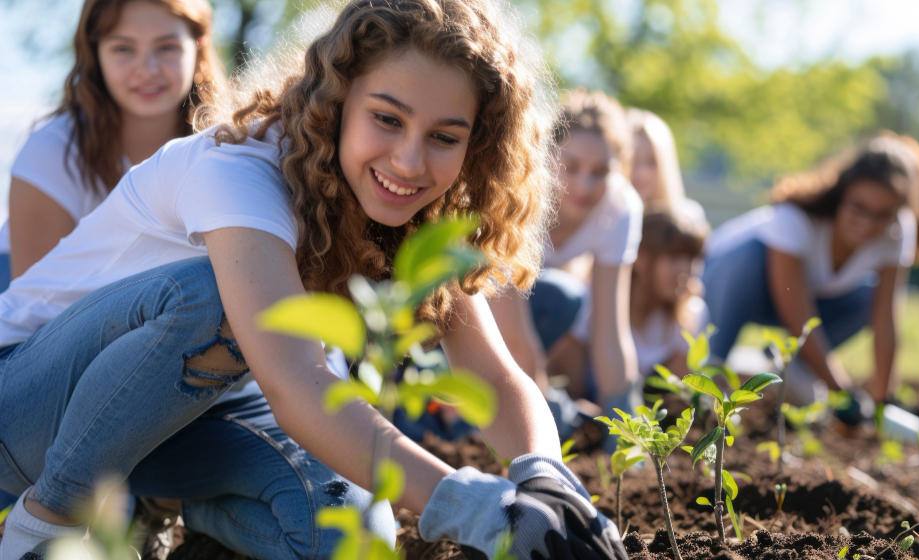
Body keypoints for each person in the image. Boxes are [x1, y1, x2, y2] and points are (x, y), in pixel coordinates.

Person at [0, 1, 626, 560]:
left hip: (176, 433)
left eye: (443, 137)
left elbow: (490, 374)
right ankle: (46, 524)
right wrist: (480, 510)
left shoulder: (415, 211)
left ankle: (173, 504)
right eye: (387, 118)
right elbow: (298, 382)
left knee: (349, 541)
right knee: (216, 300)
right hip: (26, 410)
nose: (409, 161)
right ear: (336, 101)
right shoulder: (241, 171)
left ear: (475, 147)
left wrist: (545, 480)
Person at [0, 0, 227, 518]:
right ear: (94, 54)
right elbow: (47, 331)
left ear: (199, 48)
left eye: (167, 47)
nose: (147, 69)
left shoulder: (224, 149)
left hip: (165, 345)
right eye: (123, 49)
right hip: (49, 344)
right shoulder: (54, 153)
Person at [702, 134, 919, 407]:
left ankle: (792, 368)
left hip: (797, 301)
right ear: (841, 193)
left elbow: (886, 318)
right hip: (724, 282)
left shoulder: (898, 230)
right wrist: (840, 390)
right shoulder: (795, 217)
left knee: (869, 299)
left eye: (881, 215)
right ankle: (710, 368)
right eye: (858, 207)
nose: (866, 224)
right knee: (748, 258)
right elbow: (797, 316)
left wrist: (882, 401)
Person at [490, 89, 644, 437]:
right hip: (461, 296)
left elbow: (611, 330)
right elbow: (515, 336)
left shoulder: (620, 208)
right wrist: (541, 404)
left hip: (526, 302)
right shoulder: (518, 190)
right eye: (570, 167)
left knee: (567, 297)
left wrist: (623, 414)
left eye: (601, 172)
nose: (584, 185)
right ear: (548, 155)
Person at [548, 209, 710, 396]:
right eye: (673, 259)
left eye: (691, 259)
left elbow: (680, 394)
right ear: (640, 257)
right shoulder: (590, 304)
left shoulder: (691, 315)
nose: (686, 271)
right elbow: (570, 384)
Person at [627, 109, 707, 225]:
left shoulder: (688, 218)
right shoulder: (606, 220)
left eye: (652, 161)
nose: (641, 172)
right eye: (632, 160)